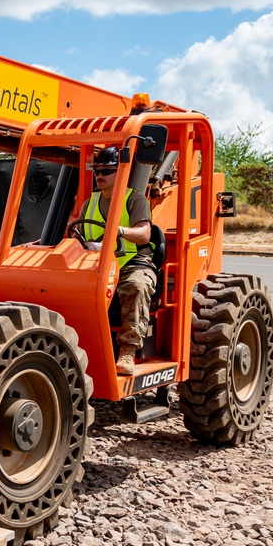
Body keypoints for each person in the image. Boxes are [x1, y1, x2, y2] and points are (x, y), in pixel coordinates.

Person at [83, 145, 157, 377]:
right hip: (97, 261)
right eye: (97, 170)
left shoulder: (135, 199)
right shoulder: (90, 202)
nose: (99, 175)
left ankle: (127, 350)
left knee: (136, 286)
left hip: (132, 261)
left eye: (106, 170)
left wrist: (119, 231)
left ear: (121, 172)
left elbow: (144, 234)